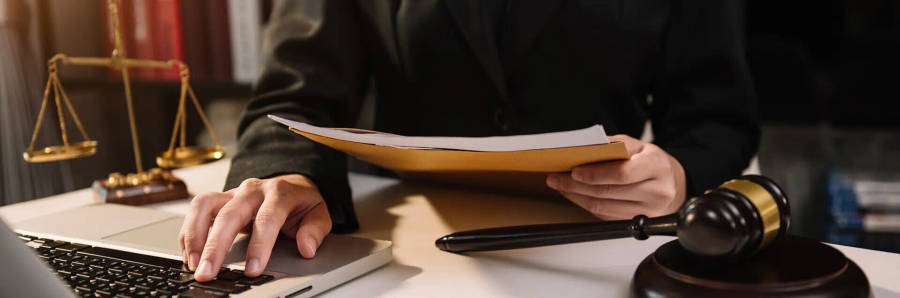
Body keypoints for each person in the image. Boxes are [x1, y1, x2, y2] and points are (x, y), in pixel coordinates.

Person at [180, 0, 759, 282]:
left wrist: (680, 174)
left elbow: (718, 119)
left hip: (601, 249)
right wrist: (288, 172)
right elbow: (294, 95)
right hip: (404, 255)